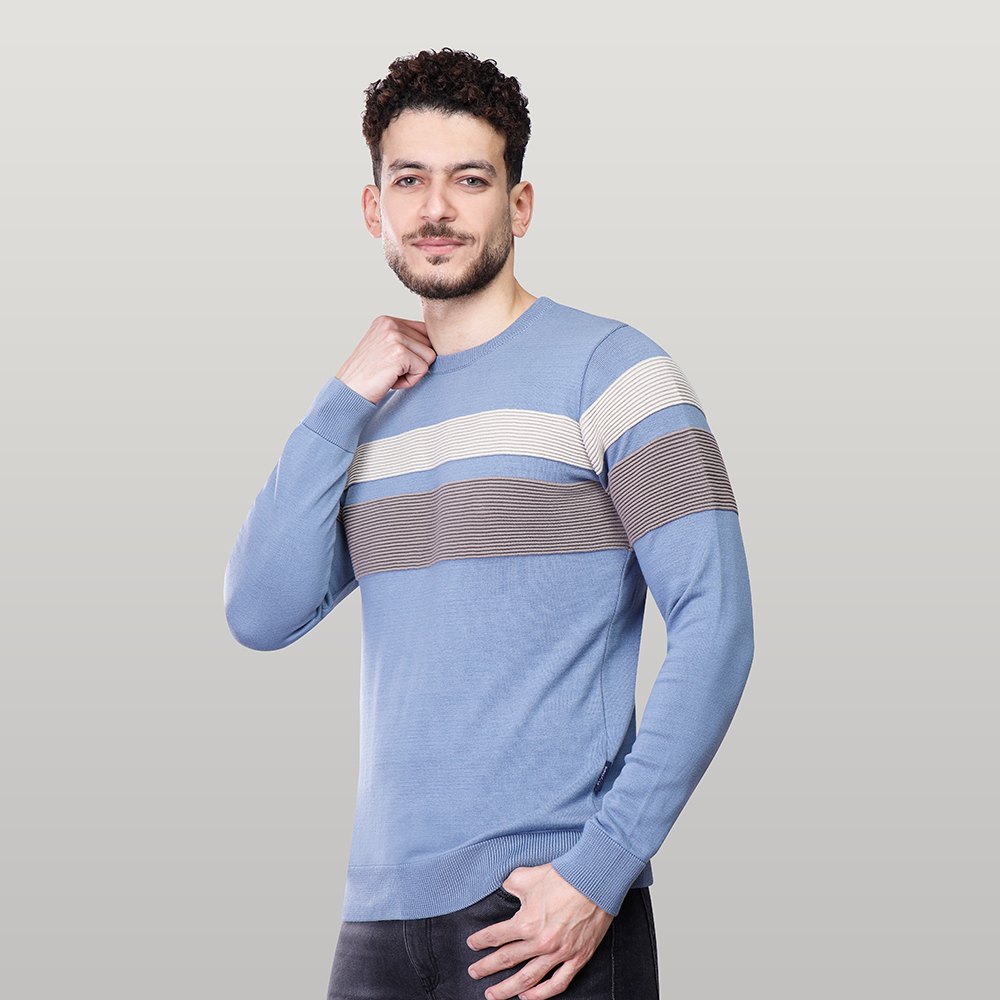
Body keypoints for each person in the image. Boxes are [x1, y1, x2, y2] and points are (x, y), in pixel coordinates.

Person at [223, 47, 755, 1000]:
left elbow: (717, 624)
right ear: (373, 208)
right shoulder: (371, 411)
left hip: (544, 913)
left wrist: (600, 870)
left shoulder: (616, 372)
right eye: (409, 180)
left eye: (470, 179)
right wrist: (341, 399)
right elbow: (259, 613)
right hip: (378, 919)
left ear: (520, 205)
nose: (436, 208)